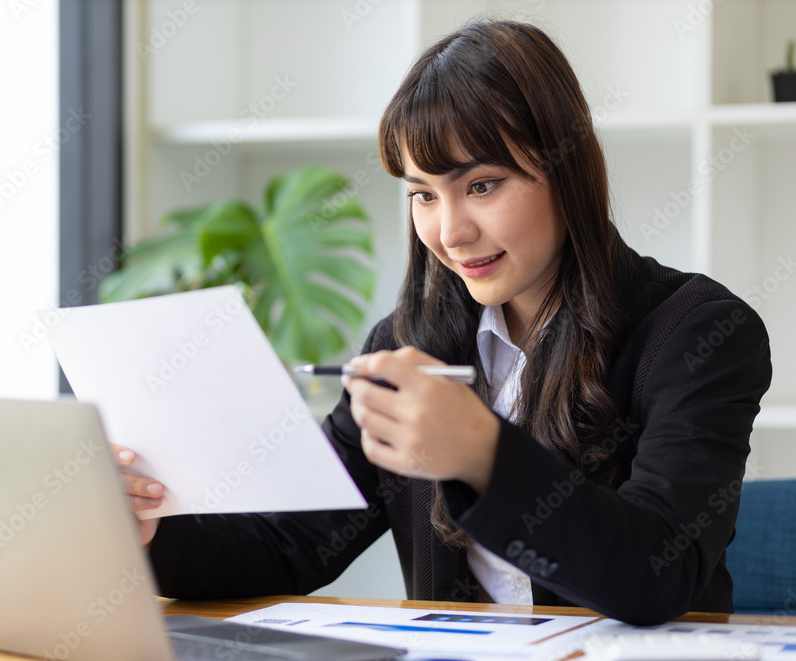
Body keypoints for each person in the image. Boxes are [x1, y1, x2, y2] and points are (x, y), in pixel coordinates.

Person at [111, 19, 771, 626]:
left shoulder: (699, 334)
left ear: (565, 171)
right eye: (424, 194)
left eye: (481, 185)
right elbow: (293, 542)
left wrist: (483, 452)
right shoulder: (406, 344)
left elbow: (659, 575)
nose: (451, 232)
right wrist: (150, 533)